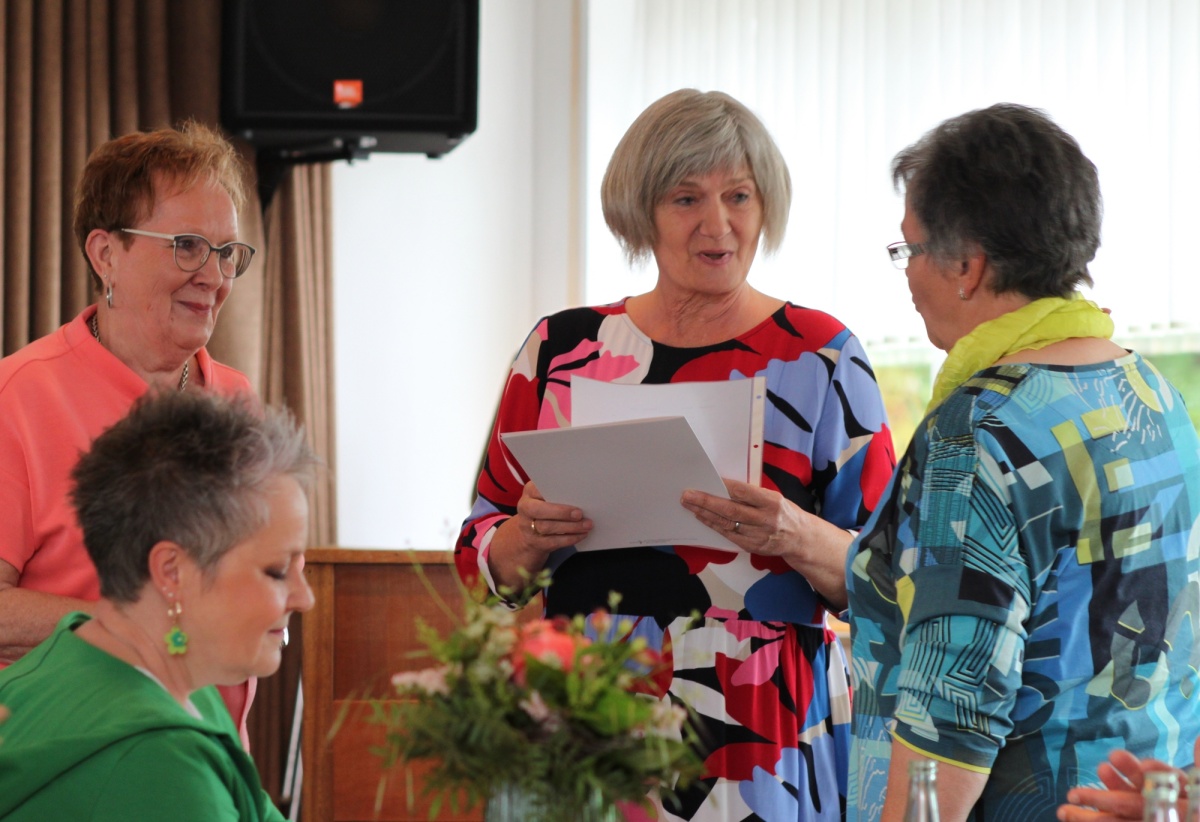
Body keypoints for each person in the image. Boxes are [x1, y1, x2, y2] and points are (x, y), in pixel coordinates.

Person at [456, 88, 896, 821]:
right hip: (586, 705)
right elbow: (480, 557)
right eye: (686, 198)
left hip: (765, 729)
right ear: (642, 212)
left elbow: (891, 574)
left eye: (739, 196)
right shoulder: (560, 350)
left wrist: (791, 532)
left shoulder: (822, 357)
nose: (717, 224)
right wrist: (526, 537)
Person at [845, 103, 1200, 822]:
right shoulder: (1149, 392)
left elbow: (948, 734)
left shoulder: (975, 434)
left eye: (909, 251)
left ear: (967, 266)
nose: (908, 277)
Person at [0, 121, 258, 737]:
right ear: (106, 253)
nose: (214, 276)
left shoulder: (236, 400)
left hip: (209, 754)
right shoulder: (20, 397)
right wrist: (142, 629)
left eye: (226, 253)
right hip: (66, 756)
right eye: (188, 245)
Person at [0, 390, 315, 820]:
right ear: (172, 571)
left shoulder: (94, 658)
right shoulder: (163, 764)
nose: (305, 598)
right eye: (278, 571)